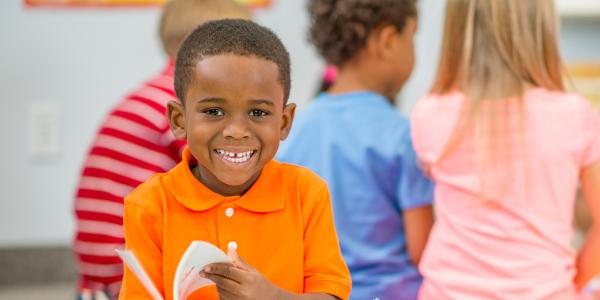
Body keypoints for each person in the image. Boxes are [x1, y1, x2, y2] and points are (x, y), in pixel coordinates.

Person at [118, 19, 352, 300]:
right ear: (179, 120)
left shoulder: (307, 194)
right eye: (214, 111)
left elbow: (331, 294)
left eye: (258, 113)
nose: (237, 132)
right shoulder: (149, 206)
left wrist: (273, 297)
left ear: (284, 122)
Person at [410, 0, 600, 298]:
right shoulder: (575, 115)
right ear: (541, 26)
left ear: (458, 29)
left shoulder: (429, 115)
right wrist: (570, 284)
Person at [72, 1, 250, 298]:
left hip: (96, 277)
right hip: (132, 275)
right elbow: (234, 178)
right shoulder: (187, 102)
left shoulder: (153, 92)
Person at [277, 1, 434, 299]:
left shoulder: (292, 134)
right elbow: (422, 251)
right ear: (387, 41)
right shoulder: (402, 136)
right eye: (411, 37)